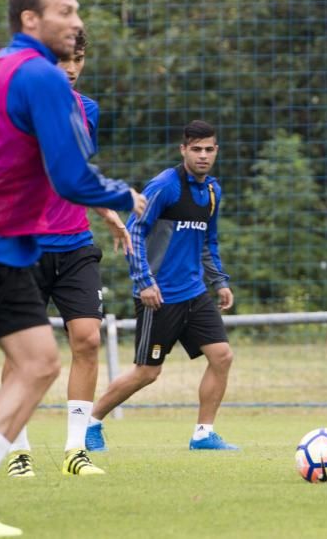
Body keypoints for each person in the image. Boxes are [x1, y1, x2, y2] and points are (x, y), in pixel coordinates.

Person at [0, 0, 145, 537]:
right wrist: (128, 197)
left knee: (42, 363)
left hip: (11, 250)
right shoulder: (39, 75)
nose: (76, 21)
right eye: (64, 11)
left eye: (76, 10)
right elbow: (71, 178)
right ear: (30, 20)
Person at [2, 28, 132, 479]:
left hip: (75, 244)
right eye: (63, 62)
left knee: (88, 340)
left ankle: (75, 451)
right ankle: (18, 450)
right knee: (22, 355)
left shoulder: (87, 110)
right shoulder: (18, 107)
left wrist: (108, 213)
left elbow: (74, 173)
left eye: (78, 60)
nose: (72, 70)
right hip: (25, 246)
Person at [88, 120, 238, 451]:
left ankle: (202, 434)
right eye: (195, 149)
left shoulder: (212, 191)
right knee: (147, 373)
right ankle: (91, 422)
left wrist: (219, 282)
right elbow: (135, 231)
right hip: (159, 296)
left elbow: (208, 242)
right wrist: (144, 282)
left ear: (216, 151)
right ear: (183, 149)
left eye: (208, 149)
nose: (202, 156)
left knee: (222, 356)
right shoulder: (164, 186)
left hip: (195, 293)